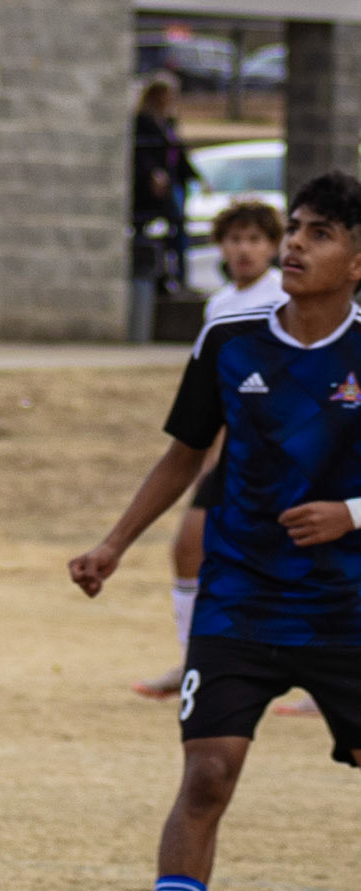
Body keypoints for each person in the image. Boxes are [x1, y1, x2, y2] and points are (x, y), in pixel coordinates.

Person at [69, 171, 361, 891]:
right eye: (294, 227)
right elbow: (182, 454)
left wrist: (351, 513)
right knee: (205, 775)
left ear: (357, 260)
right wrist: (114, 543)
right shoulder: (230, 339)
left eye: (318, 233)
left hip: (346, 609)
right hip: (239, 600)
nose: (294, 244)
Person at [135, 199, 285, 700]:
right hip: (227, 451)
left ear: (273, 246)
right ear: (220, 245)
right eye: (235, 239)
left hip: (280, 457)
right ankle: (192, 663)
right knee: (189, 548)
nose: (245, 250)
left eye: (255, 239)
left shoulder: (284, 297)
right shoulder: (218, 305)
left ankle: (334, 674)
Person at [132, 74, 197, 291]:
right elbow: (142, 154)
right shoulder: (142, 121)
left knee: (178, 227)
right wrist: (153, 173)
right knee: (164, 226)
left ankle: (178, 275)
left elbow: (177, 153)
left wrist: (195, 176)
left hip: (173, 182)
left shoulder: (167, 121)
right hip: (152, 189)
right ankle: (166, 275)